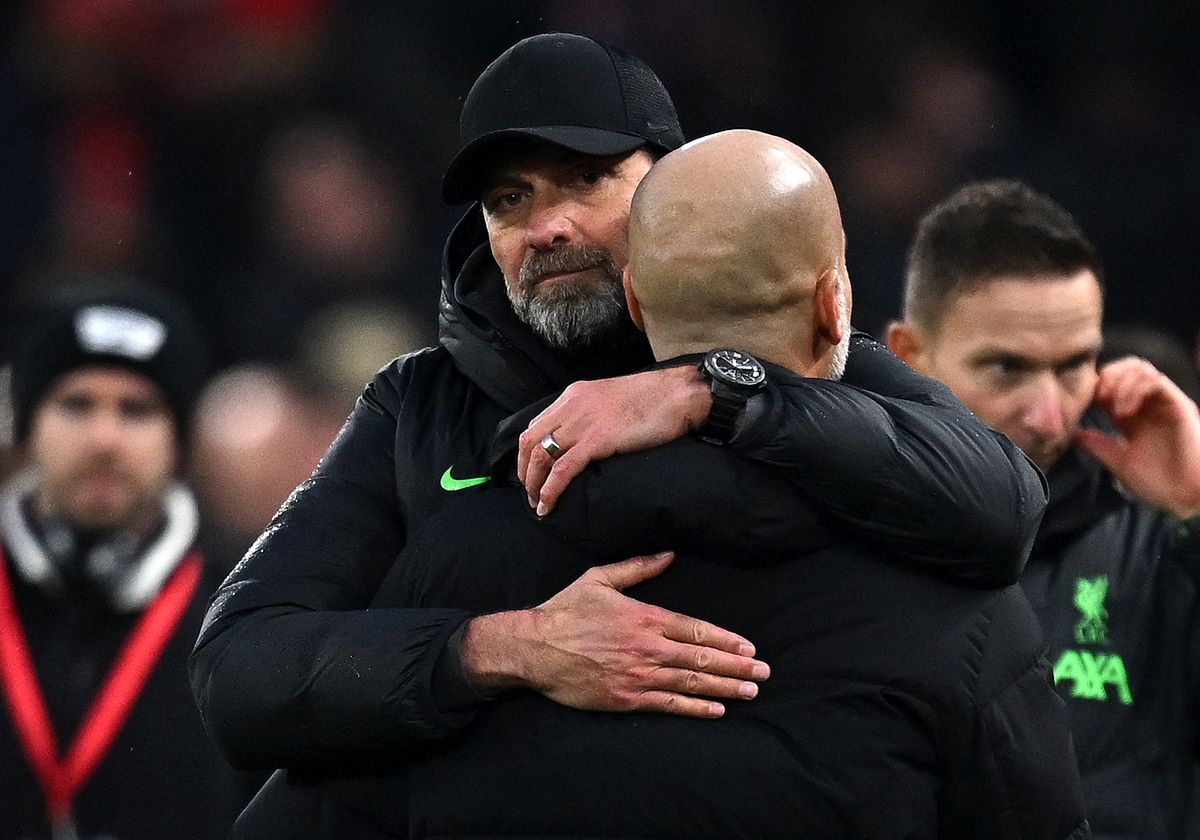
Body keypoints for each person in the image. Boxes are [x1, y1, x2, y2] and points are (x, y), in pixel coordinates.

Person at [190, 33, 1046, 776]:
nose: (547, 226)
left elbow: (1003, 504)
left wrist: (711, 391)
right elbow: (239, 670)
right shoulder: (418, 408)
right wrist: (505, 648)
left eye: (586, 177)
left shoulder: (798, 361)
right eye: (508, 200)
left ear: (672, 187)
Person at [885, 179, 1200, 840]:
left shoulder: (1161, 541)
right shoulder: (845, 535)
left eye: (1075, 365)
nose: (1050, 416)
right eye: (1006, 368)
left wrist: (1197, 507)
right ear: (910, 356)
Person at [0, 286, 253, 839]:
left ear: (180, 440)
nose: (104, 439)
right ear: (26, 428)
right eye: (76, 404)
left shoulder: (248, 611)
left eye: (137, 410)